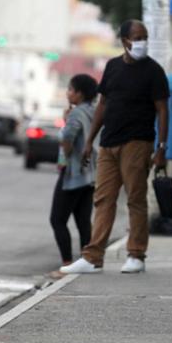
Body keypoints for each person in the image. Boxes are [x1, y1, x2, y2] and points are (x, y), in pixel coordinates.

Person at [60, 20, 169, 275]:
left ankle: (136, 255)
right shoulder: (112, 67)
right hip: (109, 143)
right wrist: (89, 141)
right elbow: (103, 105)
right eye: (137, 37)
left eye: (145, 37)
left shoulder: (153, 71)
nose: (142, 42)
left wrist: (161, 148)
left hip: (137, 143)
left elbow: (162, 110)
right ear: (124, 41)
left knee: (135, 199)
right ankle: (93, 258)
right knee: (103, 199)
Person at [49, 74, 99, 272]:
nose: (68, 93)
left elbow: (67, 137)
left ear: (79, 93)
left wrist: (66, 124)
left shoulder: (77, 114)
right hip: (90, 175)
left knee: (57, 219)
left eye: (70, 89)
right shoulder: (94, 111)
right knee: (83, 221)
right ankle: (89, 261)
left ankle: (67, 262)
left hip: (73, 174)